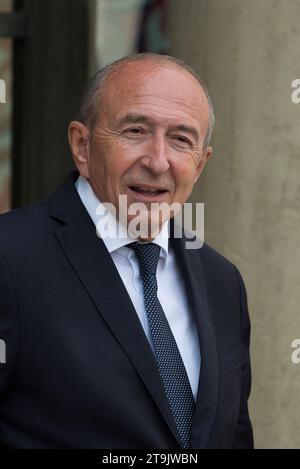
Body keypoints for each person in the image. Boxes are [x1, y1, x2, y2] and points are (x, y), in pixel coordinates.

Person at [0, 53, 253, 449]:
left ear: (200, 164)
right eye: (135, 131)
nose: (157, 160)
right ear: (81, 146)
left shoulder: (223, 282)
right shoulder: (10, 257)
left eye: (181, 140)